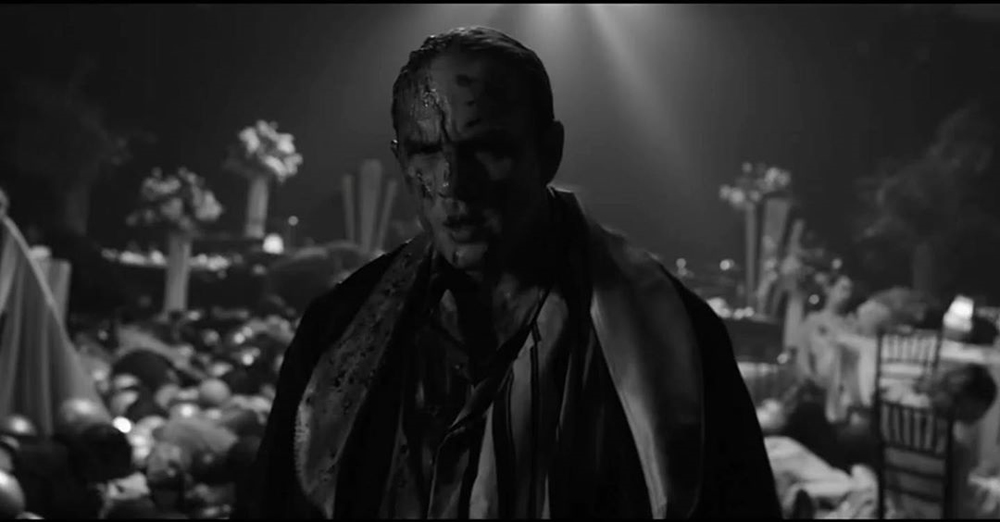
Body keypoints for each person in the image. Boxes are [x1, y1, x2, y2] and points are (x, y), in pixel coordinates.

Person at [235, 26, 780, 519]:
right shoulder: (339, 329)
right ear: (400, 159)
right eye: (426, 151)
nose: (452, 183)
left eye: (486, 148)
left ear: (549, 153)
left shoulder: (673, 339)